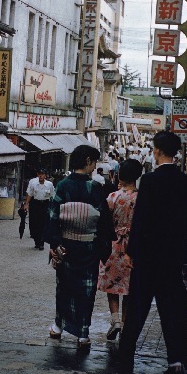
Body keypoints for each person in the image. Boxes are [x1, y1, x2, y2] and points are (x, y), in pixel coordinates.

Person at [118, 131, 187, 374]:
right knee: (173, 309)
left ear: (157, 151)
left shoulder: (150, 181)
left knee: (137, 310)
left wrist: (131, 252)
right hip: (173, 257)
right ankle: (176, 361)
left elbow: (140, 219)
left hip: (147, 256)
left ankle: (125, 360)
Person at [43, 145, 116, 349]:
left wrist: (55, 243)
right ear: (87, 162)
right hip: (89, 247)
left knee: (64, 287)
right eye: (93, 161)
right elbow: (103, 222)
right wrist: (103, 248)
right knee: (86, 290)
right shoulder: (95, 188)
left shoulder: (62, 186)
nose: (94, 166)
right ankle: (83, 334)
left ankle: (58, 326)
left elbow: (53, 216)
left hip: (65, 246)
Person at [97, 159, 143, 340]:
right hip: (134, 246)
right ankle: (125, 324)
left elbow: (103, 222)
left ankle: (115, 320)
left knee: (113, 285)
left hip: (114, 244)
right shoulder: (142, 199)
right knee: (129, 288)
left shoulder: (113, 197)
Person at [24, 167, 55, 250]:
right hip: (35, 204)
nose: (40, 176)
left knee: (43, 224)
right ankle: (36, 241)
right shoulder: (33, 183)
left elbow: (52, 196)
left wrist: (53, 206)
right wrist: (26, 204)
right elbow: (30, 194)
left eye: (42, 174)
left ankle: (41, 242)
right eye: (39, 174)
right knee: (34, 223)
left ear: (45, 175)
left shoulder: (49, 184)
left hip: (45, 204)